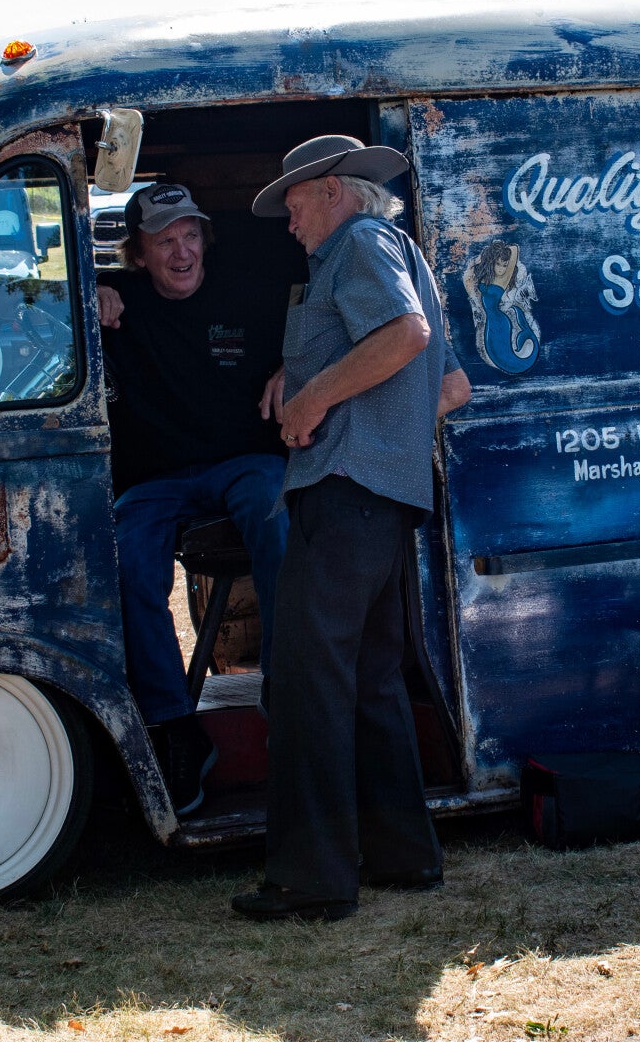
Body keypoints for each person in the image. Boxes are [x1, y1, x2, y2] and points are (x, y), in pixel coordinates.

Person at [231, 135, 472, 922]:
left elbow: (405, 338)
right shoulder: (396, 249)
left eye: (294, 204)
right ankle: (404, 857)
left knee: (307, 680)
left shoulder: (359, 241)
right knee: (370, 682)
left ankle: (313, 877)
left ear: (332, 191)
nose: (289, 222)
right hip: (383, 494)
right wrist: (377, 419)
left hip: (342, 490)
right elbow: (452, 387)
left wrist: (317, 404)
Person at [97, 182, 290, 818]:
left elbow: (326, 307)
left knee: (278, 511)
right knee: (126, 561)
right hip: (156, 479)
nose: (181, 253)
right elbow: (13, 297)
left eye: (190, 237)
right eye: (163, 242)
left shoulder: (249, 287)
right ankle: (173, 726)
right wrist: (81, 298)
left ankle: (286, 688)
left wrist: (296, 368)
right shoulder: (116, 302)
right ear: (138, 256)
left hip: (244, 461)